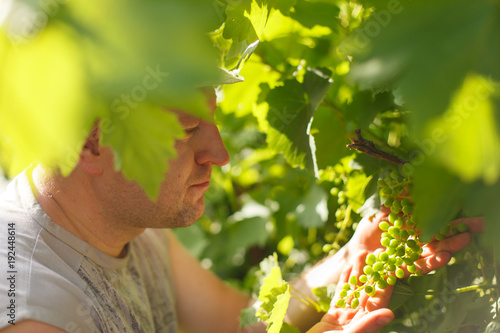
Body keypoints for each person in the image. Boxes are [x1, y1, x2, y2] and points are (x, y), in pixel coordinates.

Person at [0, 88, 483, 333]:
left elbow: (238, 324)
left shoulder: (128, 225)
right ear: (91, 144)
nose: (220, 153)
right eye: (189, 130)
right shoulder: (30, 310)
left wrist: (347, 262)